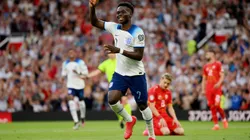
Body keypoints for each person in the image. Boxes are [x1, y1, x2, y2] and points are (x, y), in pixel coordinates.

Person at [89, 1, 156, 140]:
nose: (119, 14)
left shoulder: (137, 32)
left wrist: (118, 50)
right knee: (112, 99)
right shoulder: (115, 27)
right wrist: (92, 7)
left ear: (130, 14)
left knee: (143, 105)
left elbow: (139, 56)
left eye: (122, 12)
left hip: (136, 74)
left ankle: (151, 135)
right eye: (118, 12)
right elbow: (95, 22)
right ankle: (129, 121)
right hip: (120, 73)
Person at [87, 53, 132, 129]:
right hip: (113, 86)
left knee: (125, 101)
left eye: (112, 52)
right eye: (109, 53)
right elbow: (98, 71)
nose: (110, 54)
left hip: (122, 83)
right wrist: (88, 75)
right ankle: (121, 119)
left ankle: (129, 121)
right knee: (114, 104)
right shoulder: (105, 63)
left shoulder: (120, 61)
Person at [201, 48, 229, 130]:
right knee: (212, 106)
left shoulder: (218, 64)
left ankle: (224, 120)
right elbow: (204, 79)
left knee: (217, 104)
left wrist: (219, 83)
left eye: (207, 54)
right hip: (208, 89)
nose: (206, 56)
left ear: (212, 54)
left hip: (217, 88)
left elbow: (222, 76)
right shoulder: (205, 66)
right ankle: (216, 125)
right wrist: (203, 89)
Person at [61, 48, 88, 130]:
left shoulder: (80, 62)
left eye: (72, 52)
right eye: (69, 52)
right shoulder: (65, 63)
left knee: (81, 103)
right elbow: (63, 74)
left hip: (80, 85)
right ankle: (76, 122)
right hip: (71, 85)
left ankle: (82, 117)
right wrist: (62, 79)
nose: (71, 53)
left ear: (76, 54)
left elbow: (86, 75)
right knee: (71, 101)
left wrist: (78, 73)